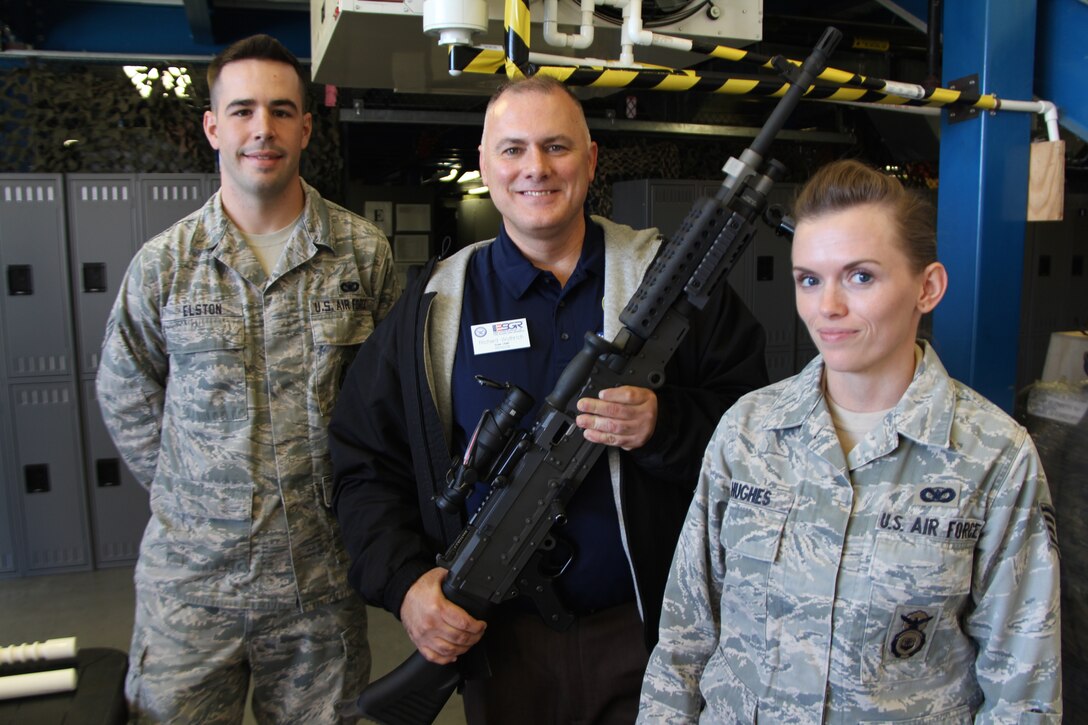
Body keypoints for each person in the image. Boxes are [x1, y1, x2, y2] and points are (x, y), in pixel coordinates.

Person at [328, 75, 768, 723]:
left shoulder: (660, 282)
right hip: (505, 651)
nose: (536, 167)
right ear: (484, 165)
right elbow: (363, 463)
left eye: (557, 146)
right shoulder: (434, 306)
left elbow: (757, 436)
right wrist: (405, 584)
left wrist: (663, 423)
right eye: (512, 150)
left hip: (654, 638)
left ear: (591, 161)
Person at [639, 159, 1062, 723]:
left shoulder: (993, 457)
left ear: (927, 287)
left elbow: (1023, 689)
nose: (827, 307)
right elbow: (684, 643)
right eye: (809, 280)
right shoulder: (749, 431)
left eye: (860, 276)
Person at [96, 34, 400, 723]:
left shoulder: (361, 255)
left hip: (318, 587)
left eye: (280, 110)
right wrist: (196, 487)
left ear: (305, 126)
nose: (261, 128)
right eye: (241, 110)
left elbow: (386, 402)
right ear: (213, 126)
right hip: (191, 588)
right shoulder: (166, 265)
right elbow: (125, 389)